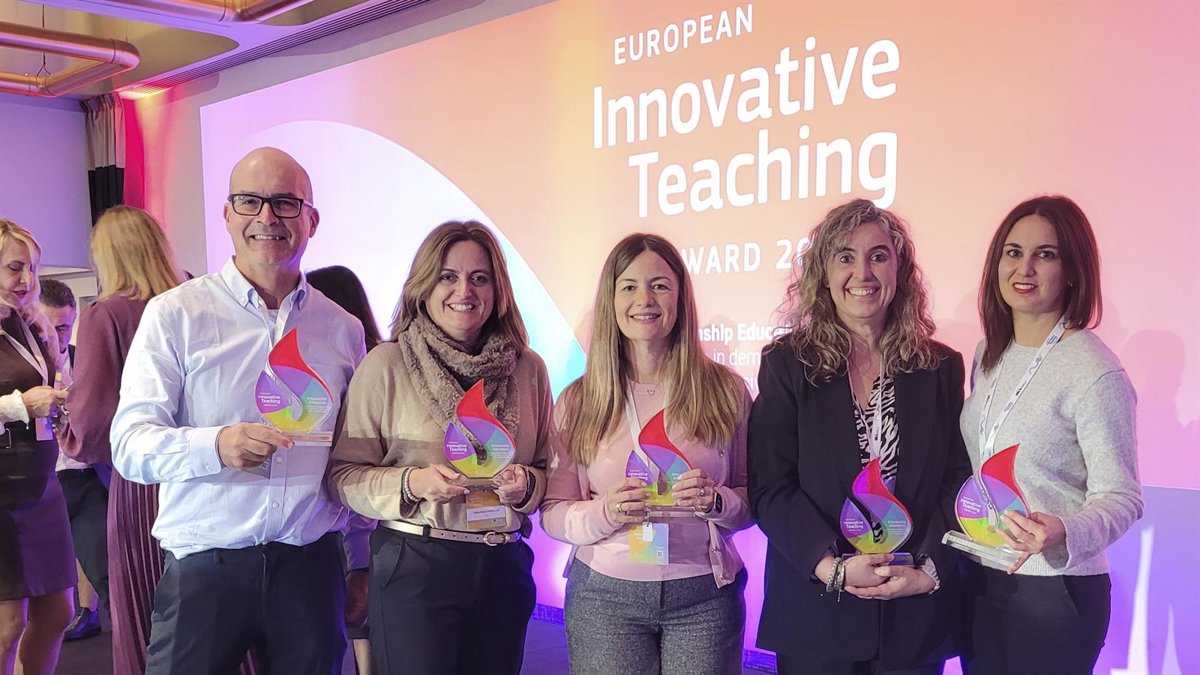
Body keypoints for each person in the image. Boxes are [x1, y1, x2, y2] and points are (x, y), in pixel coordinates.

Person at [110, 148, 368, 674]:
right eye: (250, 201)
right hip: (205, 567)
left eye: (285, 202)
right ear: (227, 215)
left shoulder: (342, 329)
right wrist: (216, 445)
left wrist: (359, 557)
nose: (267, 217)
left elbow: (355, 452)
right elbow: (130, 444)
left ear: (312, 219)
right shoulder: (176, 314)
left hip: (310, 565)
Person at [748, 199, 971, 674]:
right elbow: (771, 486)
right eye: (845, 257)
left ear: (900, 270)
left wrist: (929, 567)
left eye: (878, 255)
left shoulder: (940, 367)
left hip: (912, 610)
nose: (862, 273)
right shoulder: (787, 364)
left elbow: (957, 478)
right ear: (823, 274)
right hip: (817, 609)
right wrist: (830, 565)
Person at [329, 220, 552, 675]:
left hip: (503, 565)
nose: (464, 291)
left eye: (479, 278)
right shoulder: (387, 364)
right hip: (417, 565)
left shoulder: (528, 369)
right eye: (448, 276)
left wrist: (527, 484)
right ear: (424, 286)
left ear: (498, 291)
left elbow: (549, 469)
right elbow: (343, 476)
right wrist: (411, 483)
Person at [541, 233, 753, 675]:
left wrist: (717, 502)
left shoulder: (725, 392)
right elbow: (553, 512)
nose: (645, 300)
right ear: (611, 300)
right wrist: (605, 512)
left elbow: (753, 500)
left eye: (660, 285)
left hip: (704, 598)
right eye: (629, 286)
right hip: (604, 599)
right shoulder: (580, 400)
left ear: (680, 298)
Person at [959, 195, 1141, 675]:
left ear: (1073, 271)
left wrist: (1062, 529)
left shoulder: (1094, 371)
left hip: (1055, 588)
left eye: (1046, 254)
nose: (1025, 268)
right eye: (1013, 252)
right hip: (984, 576)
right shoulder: (987, 354)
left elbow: (1123, 497)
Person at [0, 220, 73, 675]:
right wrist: (21, 405)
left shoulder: (27, 323)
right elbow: (23, 402)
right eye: (15, 268)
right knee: (8, 624)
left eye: (32, 269)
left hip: (41, 482)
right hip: (3, 487)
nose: (27, 280)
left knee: (58, 612)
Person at [305, 264, 380, 675]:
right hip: (362, 524)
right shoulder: (380, 359)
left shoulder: (367, 371)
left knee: (356, 625)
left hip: (351, 523)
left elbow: (355, 464)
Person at [40, 279, 108, 641]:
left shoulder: (88, 360)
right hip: (38, 477)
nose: (57, 335)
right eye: (49, 326)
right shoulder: (18, 366)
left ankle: (92, 615)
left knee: (104, 563)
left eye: (65, 326)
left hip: (86, 474)